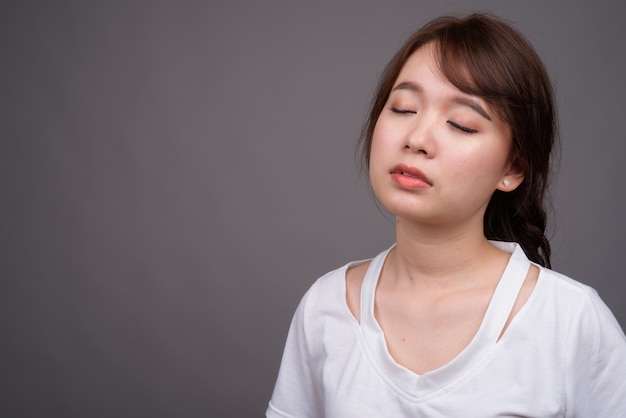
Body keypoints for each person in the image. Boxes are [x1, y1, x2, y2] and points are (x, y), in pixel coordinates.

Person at [266, 13, 626, 417]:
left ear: (512, 170)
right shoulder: (326, 307)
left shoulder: (571, 322)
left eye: (461, 124)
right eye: (403, 108)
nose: (417, 139)